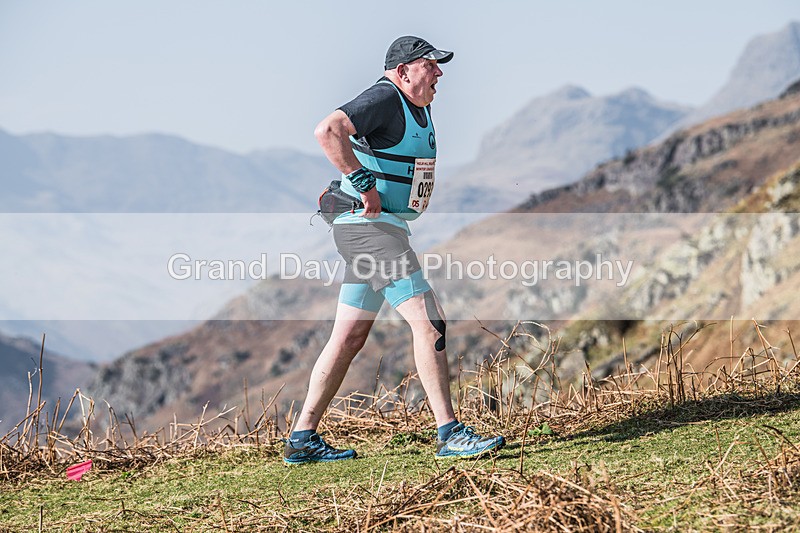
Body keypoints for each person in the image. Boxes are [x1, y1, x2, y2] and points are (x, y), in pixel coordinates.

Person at [284, 36, 505, 464]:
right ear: (403, 71)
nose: (439, 73)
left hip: (383, 230)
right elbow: (327, 130)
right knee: (430, 322)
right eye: (430, 65)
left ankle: (302, 439)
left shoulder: (416, 106)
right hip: (369, 231)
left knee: (349, 336)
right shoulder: (386, 96)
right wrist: (361, 182)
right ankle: (449, 432)